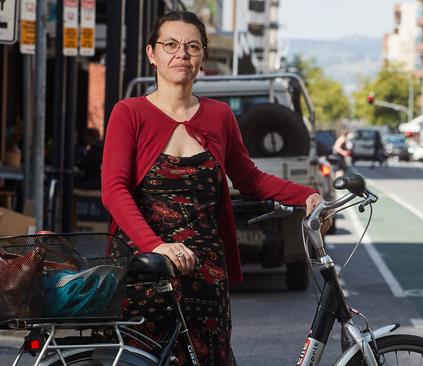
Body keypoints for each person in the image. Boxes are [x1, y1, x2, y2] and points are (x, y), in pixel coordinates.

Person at [101, 11, 331, 366]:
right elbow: (114, 189)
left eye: (193, 46)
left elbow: (250, 179)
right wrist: (157, 246)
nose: (182, 54)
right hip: (146, 266)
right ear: (152, 53)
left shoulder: (219, 116)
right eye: (171, 45)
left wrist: (306, 194)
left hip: (206, 271)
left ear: (203, 58)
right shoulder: (129, 112)